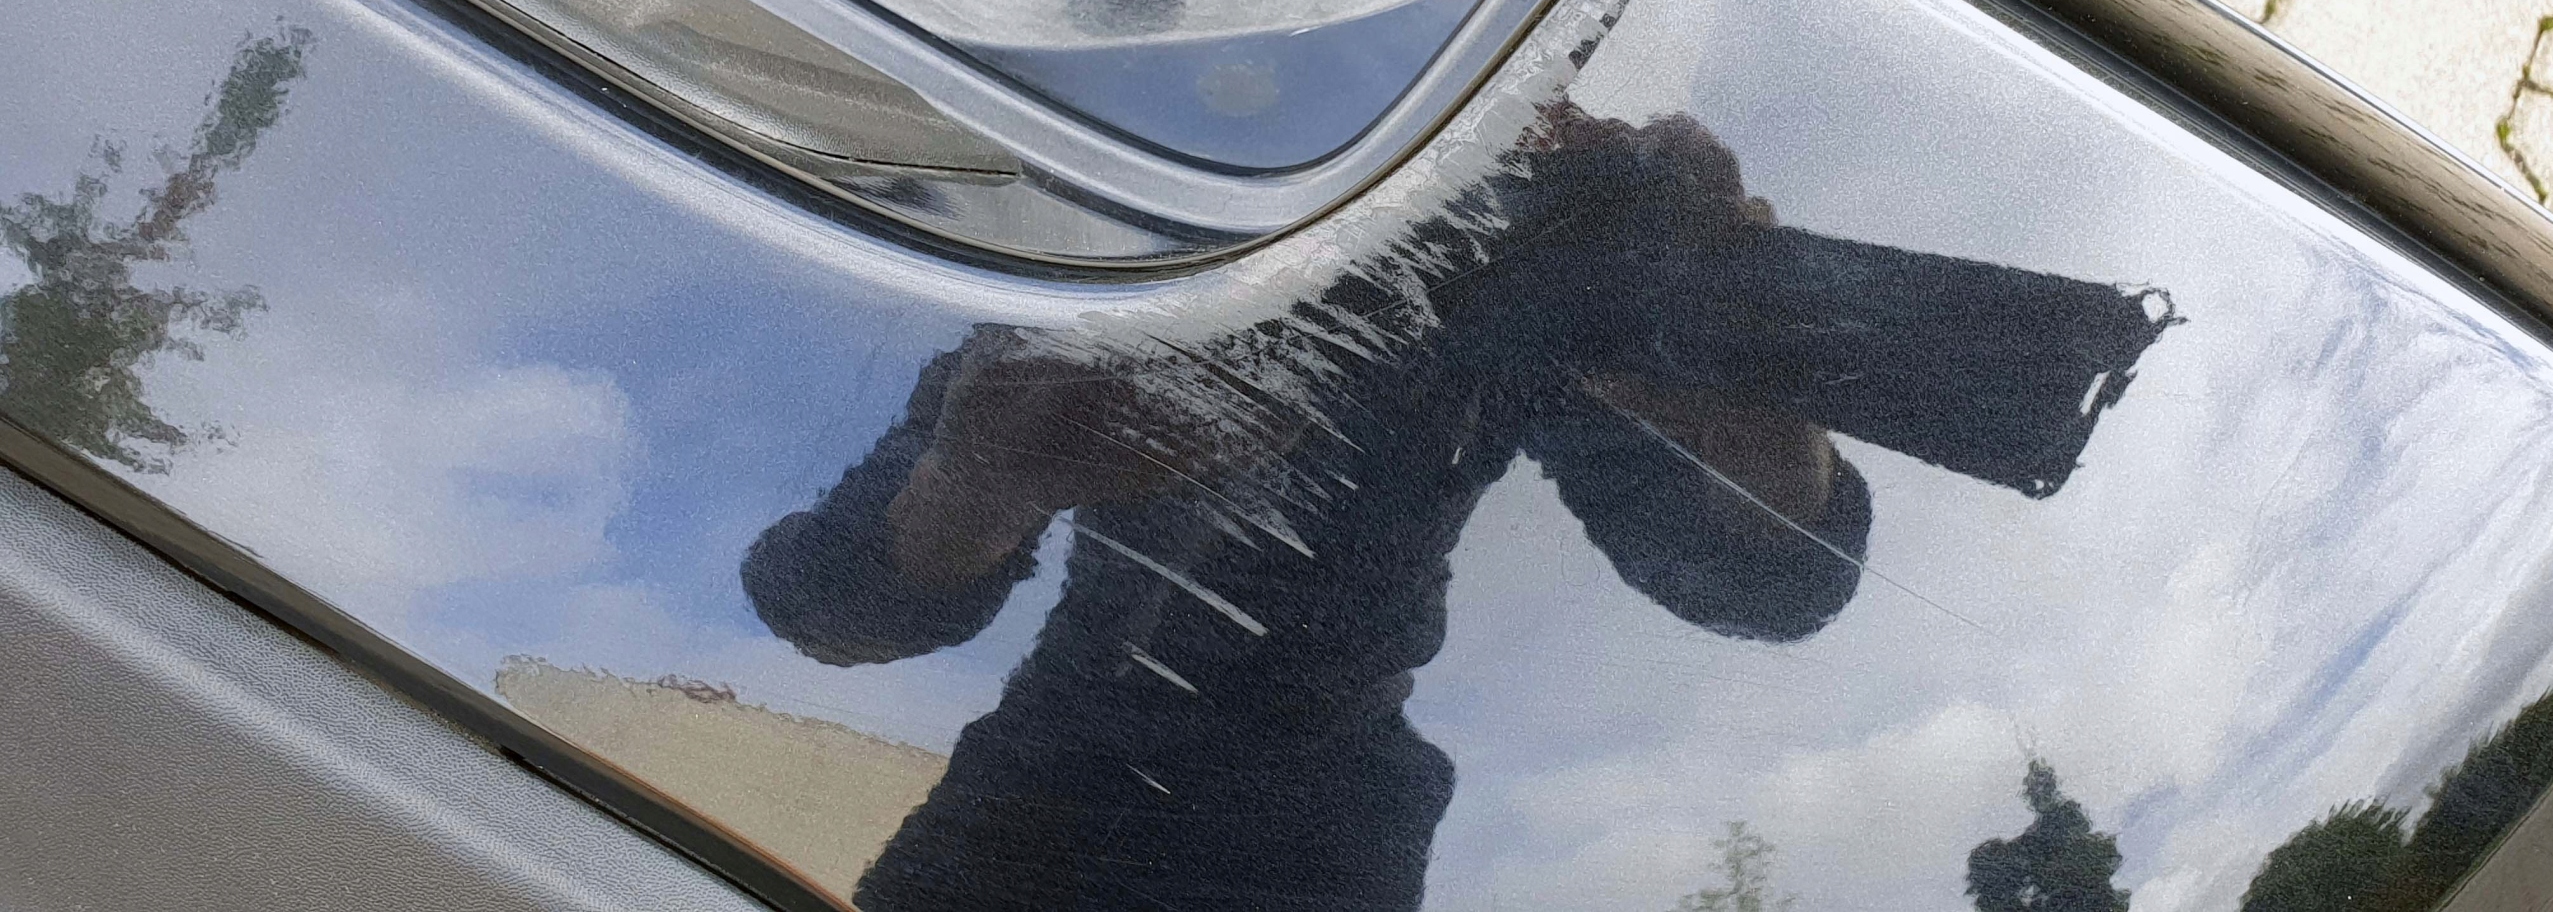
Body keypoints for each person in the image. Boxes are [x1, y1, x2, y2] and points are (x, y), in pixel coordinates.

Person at [742, 101, 2165, 911]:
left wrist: (1734, 363)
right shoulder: (1122, 261)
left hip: (1317, 823)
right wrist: (983, 478)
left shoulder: (1520, 282)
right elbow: (830, 610)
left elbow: (1767, 583)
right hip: (1043, 791)